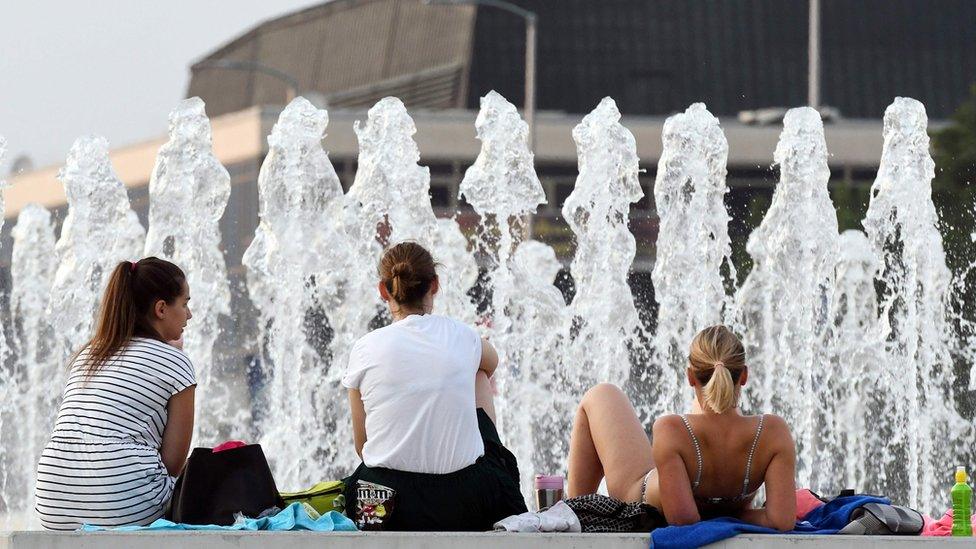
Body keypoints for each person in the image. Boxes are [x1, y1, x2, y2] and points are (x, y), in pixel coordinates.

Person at [342, 241, 527, 531]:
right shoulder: (460, 335)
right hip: (465, 500)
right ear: (435, 285)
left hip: (383, 502)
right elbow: (491, 363)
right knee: (477, 372)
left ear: (383, 290)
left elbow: (362, 446)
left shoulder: (364, 348)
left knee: (368, 470)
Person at [566, 325, 796, 531]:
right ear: (744, 375)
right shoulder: (773, 432)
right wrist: (732, 514)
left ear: (690, 377)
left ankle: (574, 514)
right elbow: (781, 520)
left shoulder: (672, 428)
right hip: (682, 479)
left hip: (638, 500)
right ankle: (575, 514)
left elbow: (682, 519)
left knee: (602, 394)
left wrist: (717, 514)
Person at [35, 258, 196, 531]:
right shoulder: (176, 362)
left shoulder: (88, 354)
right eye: (184, 303)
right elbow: (172, 465)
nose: (189, 314)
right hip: (123, 503)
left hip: (52, 500)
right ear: (161, 309)